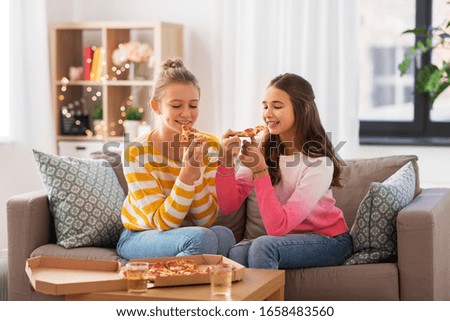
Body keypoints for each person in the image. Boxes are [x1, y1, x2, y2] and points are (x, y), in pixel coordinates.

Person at [216, 73, 352, 269]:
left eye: (277, 106)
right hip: (289, 239)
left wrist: (260, 171)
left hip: (330, 241)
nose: (267, 114)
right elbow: (229, 205)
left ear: (303, 109)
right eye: (265, 106)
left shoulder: (319, 164)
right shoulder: (263, 151)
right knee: (236, 252)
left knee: (263, 246)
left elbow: (277, 227)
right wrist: (226, 162)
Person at [117, 58, 235, 259]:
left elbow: (205, 220)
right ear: (156, 106)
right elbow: (163, 223)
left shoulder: (209, 145)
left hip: (189, 233)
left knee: (224, 235)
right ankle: (171, 283)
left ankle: (186, 280)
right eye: (176, 105)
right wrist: (187, 176)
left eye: (193, 105)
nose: (187, 114)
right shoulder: (135, 152)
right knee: (200, 239)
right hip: (141, 235)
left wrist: (196, 172)